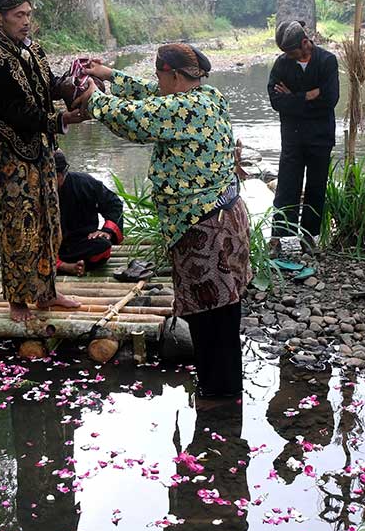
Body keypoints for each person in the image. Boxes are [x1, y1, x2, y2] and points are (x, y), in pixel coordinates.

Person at [75, 44, 250, 398]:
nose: (157, 82)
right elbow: (152, 97)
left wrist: (93, 98)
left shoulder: (187, 107)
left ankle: (219, 401)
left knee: (209, 321)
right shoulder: (206, 95)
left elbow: (137, 121)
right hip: (221, 222)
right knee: (222, 317)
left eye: (159, 75)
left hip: (205, 231)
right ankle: (224, 402)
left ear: (173, 74)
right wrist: (108, 75)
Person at [0, 0, 83, 321]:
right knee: (19, 224)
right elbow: (11, 110)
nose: (26, 21)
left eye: (28, 15)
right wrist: (59, 119)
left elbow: (49, 84)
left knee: (49, 220)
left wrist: (74, 83)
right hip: (13, 153)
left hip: (42, 149)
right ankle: (18, 298)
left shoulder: (32, 49)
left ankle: (46, 293)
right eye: (19, 15)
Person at [267, 20, 341, 244]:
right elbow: (276, 101)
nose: (289, 56)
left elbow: (330, 99)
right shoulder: (281, 64)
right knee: (287, 185)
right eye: (286, 52)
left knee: (316, 186)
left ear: (305, 42)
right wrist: (308, 95)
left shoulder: (327, 61)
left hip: (321, 136)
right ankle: (280, 237)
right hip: (292, 137)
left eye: (292, 51)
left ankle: (310, 237)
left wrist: (293, 97)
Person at [53, 149, 125, 276]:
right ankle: (64, 266)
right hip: (48, 246)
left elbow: (114, 204)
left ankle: (67, 265)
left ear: (60, 175)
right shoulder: (35, 190)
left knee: (103, 246)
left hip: (79, 245)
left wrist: (106, 231)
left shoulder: (84, 183)